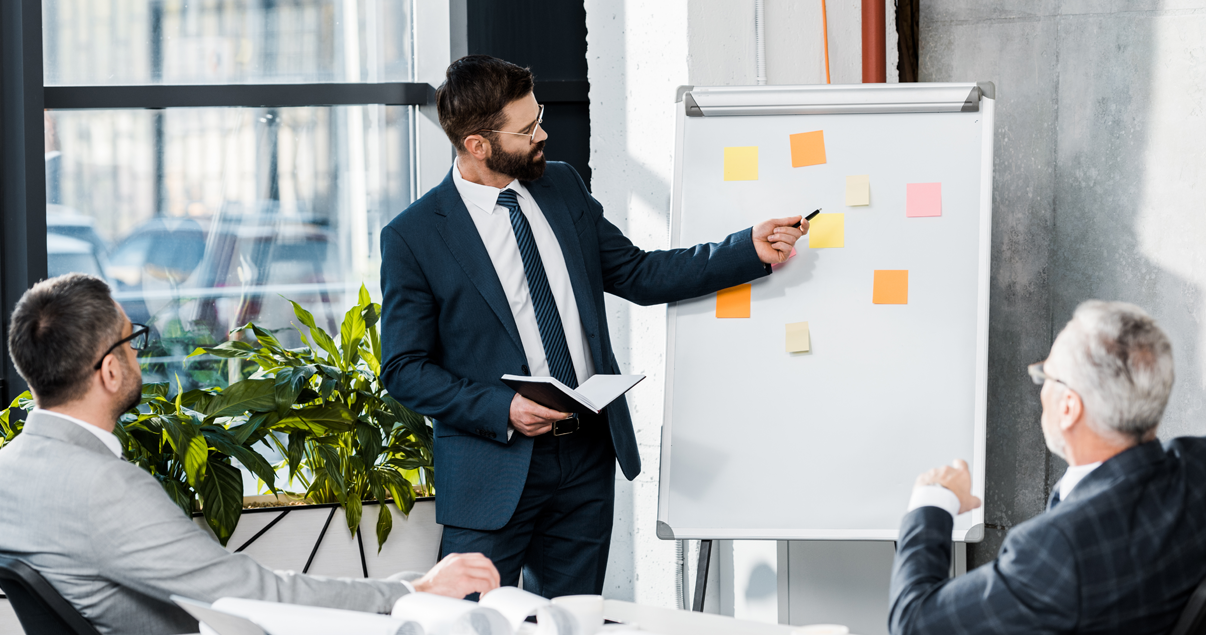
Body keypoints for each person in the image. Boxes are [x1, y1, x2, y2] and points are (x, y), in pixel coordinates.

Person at [379, 55, 806, 598]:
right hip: (493, 468)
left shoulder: (561, 187)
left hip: (585, 458)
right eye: (527, 127)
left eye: (539, 117)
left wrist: (747, 249)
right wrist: (502, 408)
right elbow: (405, 369)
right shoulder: (414, 235)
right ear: (477, 145)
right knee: (468, 622)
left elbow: (639, 272)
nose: (543, 133)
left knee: (572, 620)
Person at [0, 274, 501, 635]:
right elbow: (252, 592)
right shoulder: (105, 487)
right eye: (133, 341)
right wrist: (412, 590)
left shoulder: (11, 467)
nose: (140, 354)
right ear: (109, 372)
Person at [889, 300, 1206, 634]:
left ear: (1069, 407)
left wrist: (932, 501)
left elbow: (914, 624)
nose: (1041, 390)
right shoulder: (1198, 464)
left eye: (1046, 376)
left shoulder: (1059, 550)